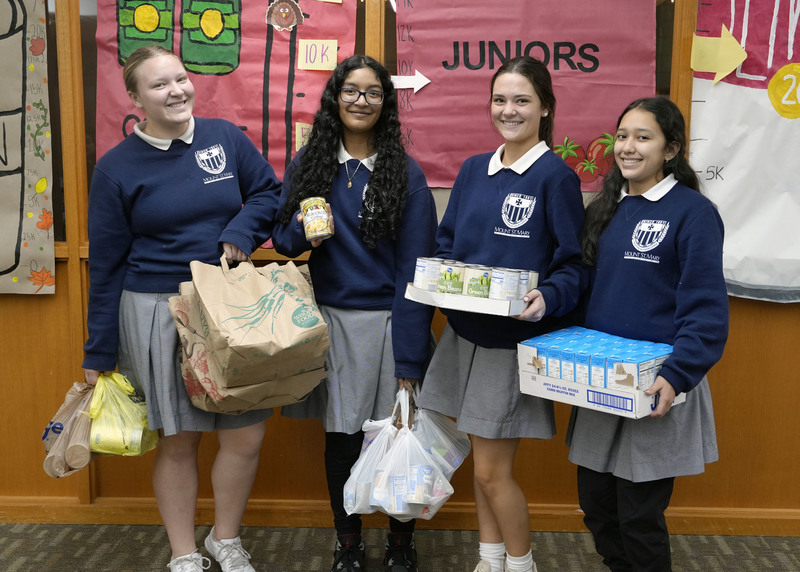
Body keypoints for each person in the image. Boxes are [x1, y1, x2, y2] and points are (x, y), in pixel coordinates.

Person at [81, 45, 282, 572]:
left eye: (180, 78)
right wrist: (98, 349)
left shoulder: (225, 138)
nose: (176, 91)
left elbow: (268, 193)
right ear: (135, 98)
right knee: (180, 439)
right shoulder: (115, 168)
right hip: (156, 310)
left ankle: (225, 539)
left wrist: (239, 232)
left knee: (246, 433)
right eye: (159, 85)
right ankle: (184, 553)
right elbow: (104, 266)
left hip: (228, 304)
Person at [416, 56, 586, 572]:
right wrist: (439, 274)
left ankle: (520, 562)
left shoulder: (556, 177)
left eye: (521, 101)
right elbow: (449, 245)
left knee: (492, 471)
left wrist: (548, 298)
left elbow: (574, 265)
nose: (508, 110)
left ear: (545, 109)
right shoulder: (472, 170)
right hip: (464, 335)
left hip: (506, 346)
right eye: (499, 99)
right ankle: (490, 559)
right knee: (481, 463)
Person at [271, 55, 437, 572]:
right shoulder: (311, 163)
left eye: (372, 93)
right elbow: (281, 238)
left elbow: (417, 271)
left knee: (398, 437)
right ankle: (347, 541)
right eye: (350, 91)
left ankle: (401, 541)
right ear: (335, 98)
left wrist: (411, 358)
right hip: (333, 324)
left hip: (392, 322)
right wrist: (304, 232)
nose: (360, 101)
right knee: (342, 439)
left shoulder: (404, 173)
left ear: (385, 104)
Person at [566, 97, 729, 572]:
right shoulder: (606, 208)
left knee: (639, 516)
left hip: (656, 384)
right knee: (597, 506)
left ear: (671, 148)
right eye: (622, 136)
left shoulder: (694, 213)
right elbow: (587, 292)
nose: (628, 147)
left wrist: (677, 375)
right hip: (602, 381)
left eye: (643, 137)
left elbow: (706, 309)